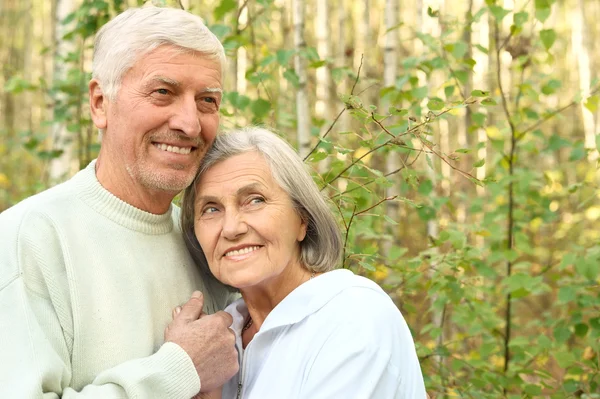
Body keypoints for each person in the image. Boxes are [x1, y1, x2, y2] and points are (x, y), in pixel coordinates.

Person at [0, 7, 239, 398]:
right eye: (163, 92)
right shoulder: (28, 239)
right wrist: (176, 372)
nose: (189, 123)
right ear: (100, 103)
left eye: (207, 100)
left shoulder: (208, 241)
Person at [178, 126, 428, 398]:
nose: (231, 228)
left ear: (302, 218)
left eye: (254, 200)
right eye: (211, 209)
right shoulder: (223, 334)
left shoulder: (353, 317)